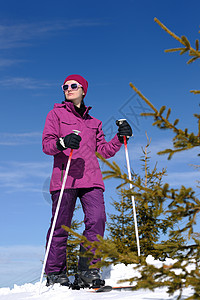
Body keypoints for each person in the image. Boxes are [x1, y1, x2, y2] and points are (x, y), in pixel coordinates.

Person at [42, 74, 132, 287]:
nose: (68, 88)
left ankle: (87, 270)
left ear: (84, 90)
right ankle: (55, 273)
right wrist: (63, 142)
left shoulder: (94, 122)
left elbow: (103, 151)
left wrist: (119, 138)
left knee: (97, 220)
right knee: (60, 226)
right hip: (65, 178)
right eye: (65, 86)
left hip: (91, 179)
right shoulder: (55, 114)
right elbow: (47, 145)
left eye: (73, 85)